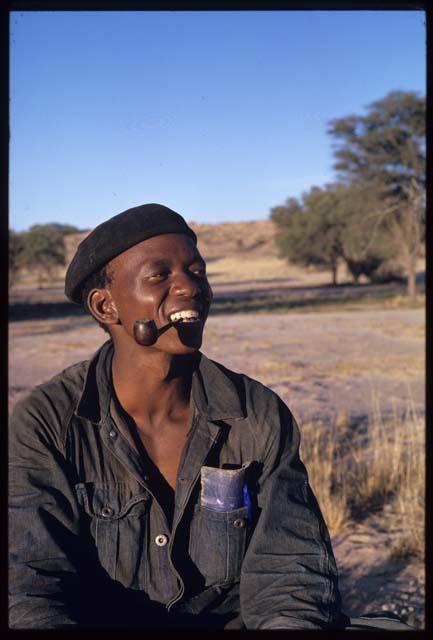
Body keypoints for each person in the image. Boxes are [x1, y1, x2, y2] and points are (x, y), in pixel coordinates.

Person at [8, 204, 409, 630]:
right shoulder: (47, 422)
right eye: (159, 275)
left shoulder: (256, 413)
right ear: (106, 307)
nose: (190, 287)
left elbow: (289, 576)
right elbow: (30, 585)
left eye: (196, 272)